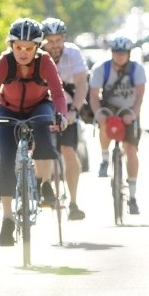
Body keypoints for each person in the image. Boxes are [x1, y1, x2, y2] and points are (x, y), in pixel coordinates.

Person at [0, 18, 68, 247]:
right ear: (10, 45)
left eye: (29, 48)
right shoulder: (4, 62)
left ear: (37, 47)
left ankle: (45, 183)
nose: (23, 52)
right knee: (6, 160)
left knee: (44, 130)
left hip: (39, 106)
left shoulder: (45, 62)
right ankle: (7, 219)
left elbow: (58, 94)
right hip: (9, 110)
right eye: (18, 47)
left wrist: (61, 114)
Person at [88, 36, 147, 215]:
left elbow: (139, 96)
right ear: (111, 52)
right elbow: (93, 95)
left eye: (123, 53)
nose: (119, 56)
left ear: (128, 54)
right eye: (116, 52)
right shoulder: (101, 69)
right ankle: (105, 159)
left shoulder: (137, 69)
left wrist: (133, 114)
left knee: (130, 150)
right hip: (109, 105)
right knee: (104, 122)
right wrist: (98, 114)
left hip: (129, 108)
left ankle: (133, 195)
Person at [40, 17, 89, 221]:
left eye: (58, 40)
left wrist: (74, 111)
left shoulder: (73, 53)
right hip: (43, 107)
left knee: (69, 151)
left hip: (67, 109)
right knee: (42, 148)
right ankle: (45, 185)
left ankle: (74, 202)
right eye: (50, 41)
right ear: (43, 41)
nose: (55, 45)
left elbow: (81, 84)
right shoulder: (37, 55)